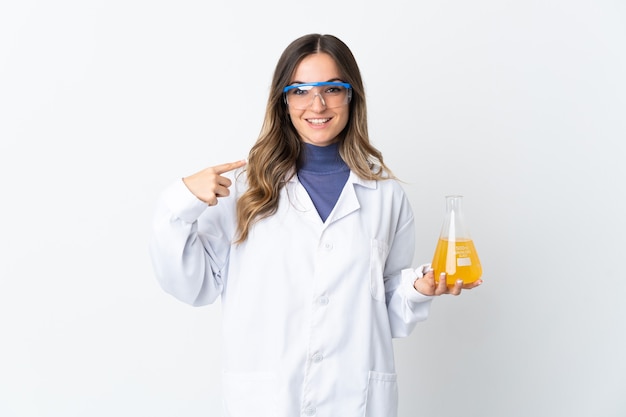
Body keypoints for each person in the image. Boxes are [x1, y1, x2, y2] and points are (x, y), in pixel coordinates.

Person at [149, 33, 482, 417]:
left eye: (332, 89)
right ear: (283, 100)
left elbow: (385, 311)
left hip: (355, 400)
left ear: (351, 96)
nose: (317, 104)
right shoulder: (244, 190)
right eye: (301, 90)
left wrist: (418, 288)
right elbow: (192, 286)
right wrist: (179, 203)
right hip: (267, 401)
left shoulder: (385, 195)